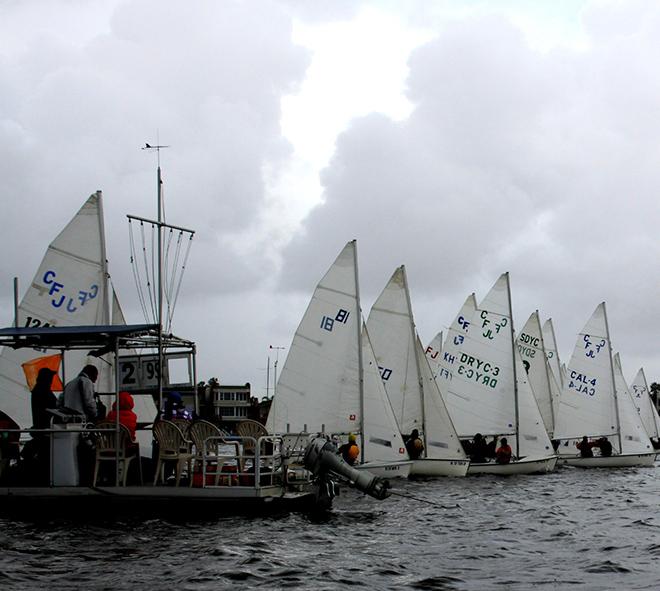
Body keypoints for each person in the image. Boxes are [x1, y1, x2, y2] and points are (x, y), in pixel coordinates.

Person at [31, 367, 58, 433]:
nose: (51, 380)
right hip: (45, 427)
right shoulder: (43, 390)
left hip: (41, 426)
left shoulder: (39, 388)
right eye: (50, 377)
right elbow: (53, 405)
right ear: (46, 378)